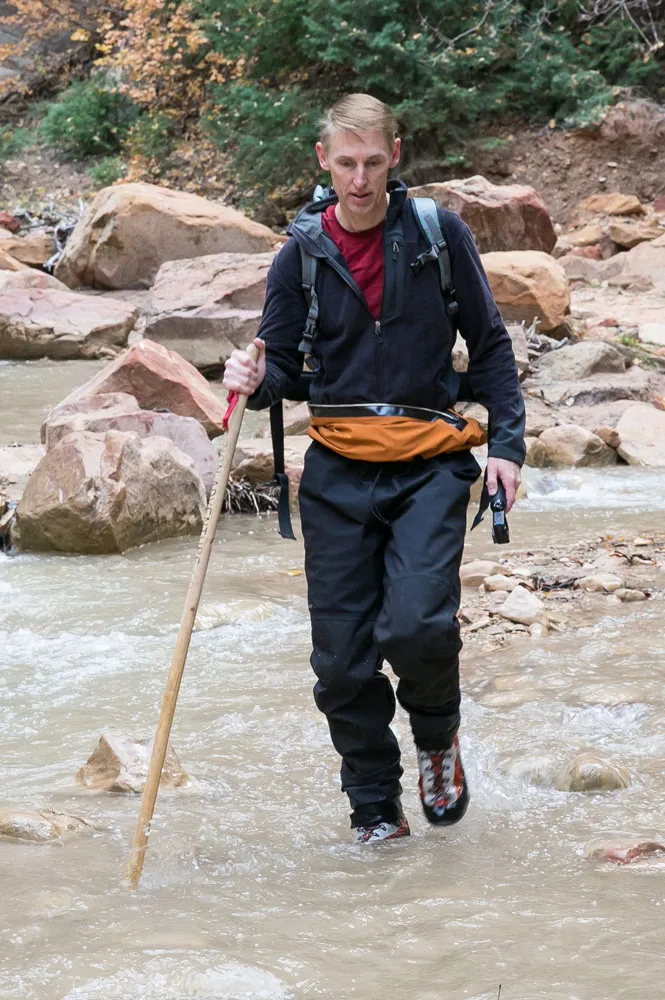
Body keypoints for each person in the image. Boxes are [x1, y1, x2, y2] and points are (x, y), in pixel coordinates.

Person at [223, 93, 526, 843]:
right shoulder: (299, 252)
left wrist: (507, 448)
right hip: (336, 475)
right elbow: (283, 370)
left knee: (418, 627)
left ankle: (436, 740)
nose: (360, 179)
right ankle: (373, 809)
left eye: (373, 162)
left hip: (430, 464)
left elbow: (487, 347)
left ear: (395, 156)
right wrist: (249, 377)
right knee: (342, 664)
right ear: (323, 160)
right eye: (346, 163)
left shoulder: (436, 234)